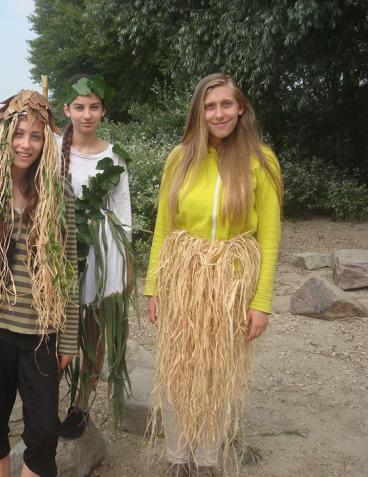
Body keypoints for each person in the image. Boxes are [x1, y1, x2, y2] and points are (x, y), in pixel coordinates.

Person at [144, 73, 283, 477]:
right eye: (209, 106)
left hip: (232, 279)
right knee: (177, 369)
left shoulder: (262, 161)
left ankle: (206, 462)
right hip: (183, 276)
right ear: (198, 113)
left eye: (226, 104)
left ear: (241, 108)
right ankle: (177, 458)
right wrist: (154, 286)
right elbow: (163, 227)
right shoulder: (180, 157)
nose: (218, 113)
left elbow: (270, 237)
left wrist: (261, 302)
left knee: (215, 372)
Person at [0, 90, 79, 477]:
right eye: (19, 133)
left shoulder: (60, 195)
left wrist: (70, 337)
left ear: (48, 143)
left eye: (37, 136)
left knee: (43, 434)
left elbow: (70, 266)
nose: (26, 144)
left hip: (42, 332)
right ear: (4, 136)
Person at [57, 75, 133, 438]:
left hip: (103, 252)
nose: (87, 114)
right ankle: (42, 401)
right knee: (53, 328)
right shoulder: (53, 148)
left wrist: (126, 266)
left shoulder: (114, 154)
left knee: (93, 331)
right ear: (67, 109)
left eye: (94, 107)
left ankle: (81, 403)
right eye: (80, 107)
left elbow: (124, 213)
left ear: (103, 110)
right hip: (61, 247)